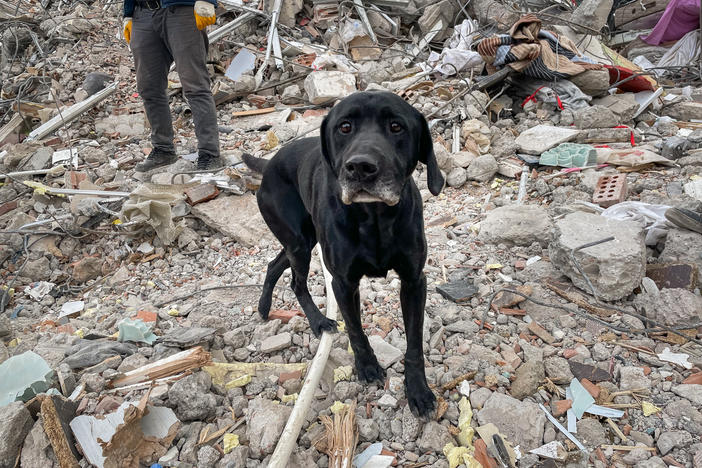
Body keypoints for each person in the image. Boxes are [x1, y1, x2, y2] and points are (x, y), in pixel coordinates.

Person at [122, 0, 222, 172]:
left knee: (195, 85)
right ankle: (163, 150)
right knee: (149, 87)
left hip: (181, 9)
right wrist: (128, 12)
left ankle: (209, 153)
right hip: (143, 13)